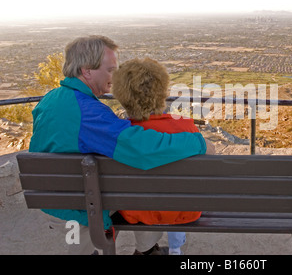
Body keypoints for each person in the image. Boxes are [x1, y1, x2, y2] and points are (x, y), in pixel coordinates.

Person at [29, 35, 214, 255]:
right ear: (87, 70)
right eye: (110, 70)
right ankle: (146, 250)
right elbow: (143, 149)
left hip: (55, 197)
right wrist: (198, 141)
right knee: (146, 180)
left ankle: (145, 249)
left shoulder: (52, 99)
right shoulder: (88, 113)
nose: (115, 77)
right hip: (78, 208)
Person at [112, 57, 213, 255]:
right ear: (162, 93)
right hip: (184, 211)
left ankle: (149, 248)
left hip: (136, 212)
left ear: (122, 95)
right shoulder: (186, 127)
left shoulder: (118, 134)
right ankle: (173, 248)